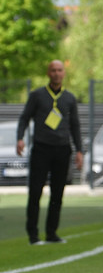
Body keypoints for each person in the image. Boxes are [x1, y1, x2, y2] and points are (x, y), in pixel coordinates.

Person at [17, 60, 83, 245]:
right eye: (53, 70)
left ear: (64, 73)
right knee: (35, 191)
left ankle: (52, 233)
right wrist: (20, 138)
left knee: (57, 194)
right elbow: (24, 118)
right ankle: (33, 235)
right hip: (41, 148)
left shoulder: (69, 98)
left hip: (62, 149)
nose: (56, 73)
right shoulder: (37, 95)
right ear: (48, 73)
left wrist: (79, 150)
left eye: (59, 70)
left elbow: (75, 125)